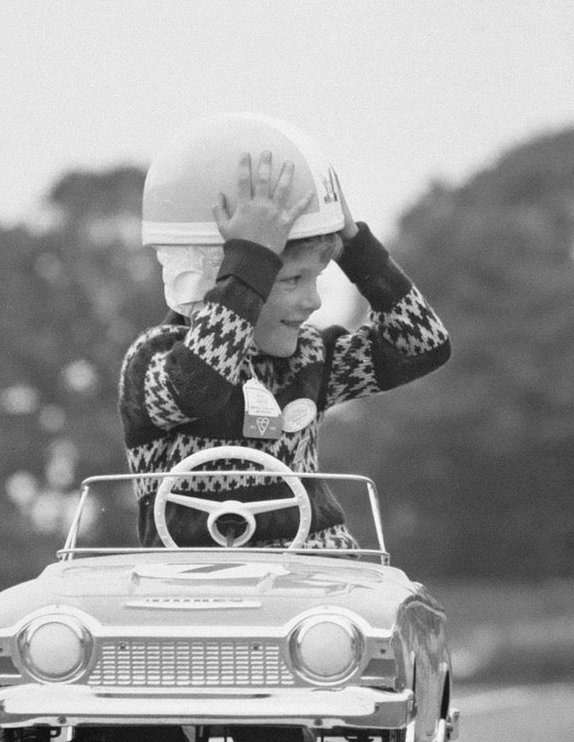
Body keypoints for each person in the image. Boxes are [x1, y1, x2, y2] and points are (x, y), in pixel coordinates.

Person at [117, 109, 454, 492]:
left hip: (310, 554)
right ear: (216, 278)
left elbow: (423, 347)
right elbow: (199, 387)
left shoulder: (307, 360)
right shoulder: (152, 362)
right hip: (199, 556)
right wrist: (250, 262)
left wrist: (355, 245)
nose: (313, 302)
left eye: (316, 278)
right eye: (293, 279)